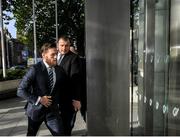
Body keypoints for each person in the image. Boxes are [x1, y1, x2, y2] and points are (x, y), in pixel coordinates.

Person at [17, 43, 67, 136]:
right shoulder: (35, 69)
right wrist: (39, 99)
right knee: (31, 134)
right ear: (44, 55)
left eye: (56, 54)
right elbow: (21, 90)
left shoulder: (60, 70)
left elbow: (65, 88)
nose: (56, 57)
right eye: (53, 55)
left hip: (53, 112)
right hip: (36, 111)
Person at [57, 35, 81, 135]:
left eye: (66, 45)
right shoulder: (54, 56)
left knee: (67, 126)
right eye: (62, 45)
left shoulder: (74, 58)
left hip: (68, 100)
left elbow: (75, 80)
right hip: (56, 99)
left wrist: (76, 99)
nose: (64, 48)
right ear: (57, 45)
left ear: (69, 45)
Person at [70, 45, 87, 122]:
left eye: (73, 52)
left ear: (76, 52)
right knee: (71, 119)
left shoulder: (83, 61)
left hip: (83, 93)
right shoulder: (65, 62)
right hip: (71, 96)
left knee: (85, 113)